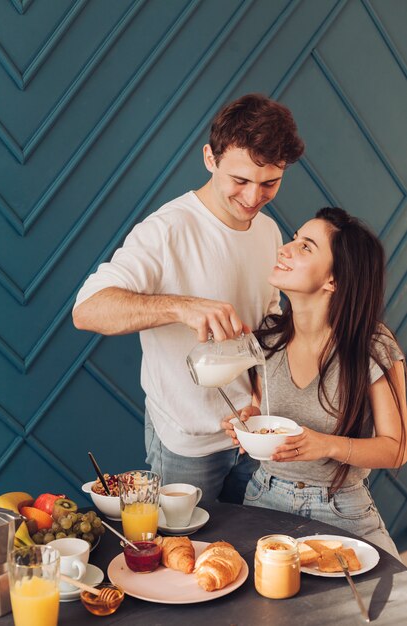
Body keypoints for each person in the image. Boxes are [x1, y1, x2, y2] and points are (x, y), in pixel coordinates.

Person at [73, 93, 304, 503]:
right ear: (210, 159)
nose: (253, 198)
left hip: (253, 435)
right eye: (240, 180)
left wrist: (258, 400)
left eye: (269, 183)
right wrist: (181, 305)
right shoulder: (166, 230)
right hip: (187, 444)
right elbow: (87, 310)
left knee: (244, 559)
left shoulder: (268, 232)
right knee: (184, 559)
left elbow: (266, 321)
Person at [222, 207, 407, 557]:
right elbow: (262, 411)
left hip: (341, 507)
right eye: (294, 239)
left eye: (306, 247)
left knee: (391, 605)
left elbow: (397, 449)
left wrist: (325, 445)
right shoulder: (268, 339)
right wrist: (246, 422)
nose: (285, 249)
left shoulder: (373, 345)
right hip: (265, 496)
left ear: (333, 280)